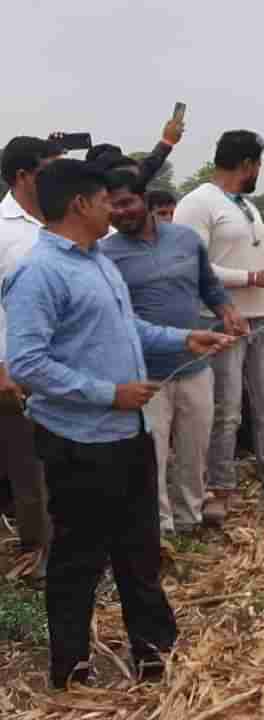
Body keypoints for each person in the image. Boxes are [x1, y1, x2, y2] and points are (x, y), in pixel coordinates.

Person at [2, 159, 233, 689]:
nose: (116, 207)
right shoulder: (40, 273)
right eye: (106, 199)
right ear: (81, 204)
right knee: (78, 559)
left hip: (127, 435)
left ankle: (155, 654)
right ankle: (71, 667)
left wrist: (182, 339)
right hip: (78, 440)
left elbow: (124, 327)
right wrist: (110, 394)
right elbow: (29, 364)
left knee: (139, 549)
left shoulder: (97, 262)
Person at [173, 129, 264, 524]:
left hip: (262, 319)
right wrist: (252, 279)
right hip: (220, 320)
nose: (259, 171)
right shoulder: (196, 204)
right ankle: (219, 492)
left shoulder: (247, 207)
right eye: (258, 164)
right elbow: (194, 266)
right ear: (246, 165)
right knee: (227, 411)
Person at [99, 164, 243, 537]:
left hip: (195, 367)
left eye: (127, 202)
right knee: (153, 457)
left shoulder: (185, 240)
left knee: (194, 454)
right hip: (144, 375)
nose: (121, 212)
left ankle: (189, 519)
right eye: (112, 206)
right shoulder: (104, 254)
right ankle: (159, 530)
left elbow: (209, 287)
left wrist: (227, 311)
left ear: (145, 199)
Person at [0, 136, 60, 578]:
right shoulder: (3, 230)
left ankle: (77, 548)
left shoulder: (59, 221)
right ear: (23, 175)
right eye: (46, 170)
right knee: (30, 466)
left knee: (69, 459)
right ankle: (40, 552)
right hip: (18, 367)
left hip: (67, 362)